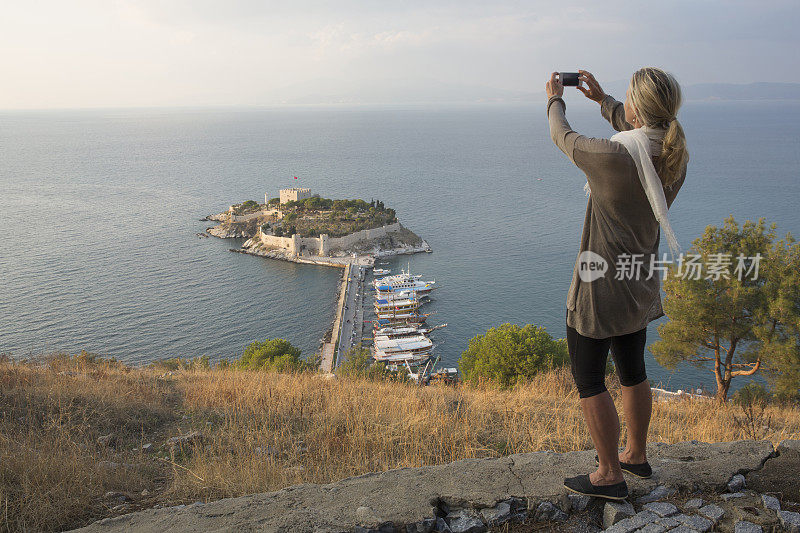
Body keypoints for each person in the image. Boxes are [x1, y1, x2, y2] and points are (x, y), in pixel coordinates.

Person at [545, 68, 689, 500]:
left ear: (637, 108)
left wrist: (555, 98)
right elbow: (639, 134)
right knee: (632, 370)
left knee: (589, 378)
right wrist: (604, 99)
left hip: (600, 286)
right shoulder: (673, 153)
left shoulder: (611, 156)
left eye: (627, 96)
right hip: (638, 279)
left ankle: (608, 475)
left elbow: (562, 136)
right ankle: (635, 455)